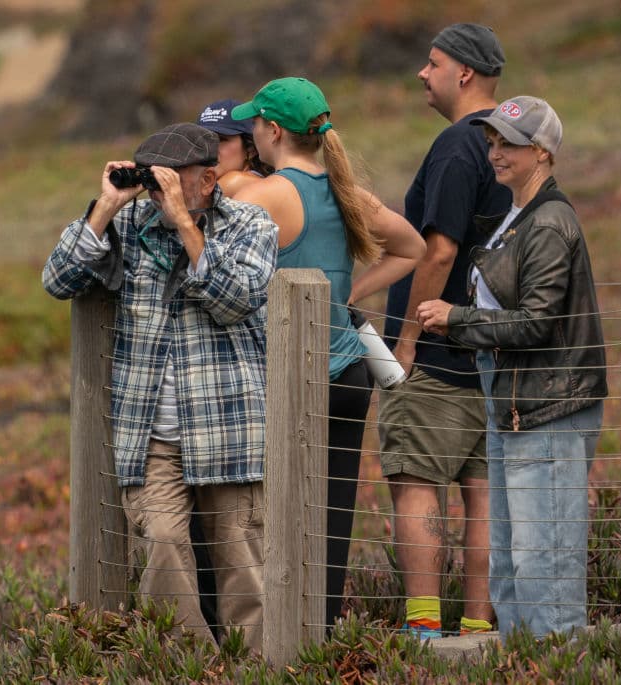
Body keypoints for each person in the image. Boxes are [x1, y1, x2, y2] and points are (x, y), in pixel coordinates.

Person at [41, 122, 278, 650]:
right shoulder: (129, 226)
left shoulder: (250, 224)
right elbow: (57, 280)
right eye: (153, 178)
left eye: (173, 177)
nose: (159, 189)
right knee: (163, 547)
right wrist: (105, 207)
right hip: (152, 434)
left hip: (228, 426)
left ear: (208, 179)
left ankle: (254, 667)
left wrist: (186, 227)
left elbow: (237, 299)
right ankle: (191, 666)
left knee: (242, 558)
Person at [230, 77, 426, 630]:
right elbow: (411, 247)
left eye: (254, 124)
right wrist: (348, 295)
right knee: (332, 512)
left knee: (274, 512)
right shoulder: (347, 193)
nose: (250, 134)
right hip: (347, 372)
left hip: (288, 377)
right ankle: (324, 628)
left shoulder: (264, 195)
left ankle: (278, 634)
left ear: (273, 131)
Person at [417, 96, 608, 639]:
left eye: (511, 144)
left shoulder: (547, 222)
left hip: (547, 407)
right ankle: (524, 661)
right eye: (493, 142)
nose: (496, 153)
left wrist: (457, 319)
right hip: (514, 404)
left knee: (543, 557)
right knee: (511, 557)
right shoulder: (516, 216)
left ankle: (557, 663)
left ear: (543, 152)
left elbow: (538, 322)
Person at [379, 22, 510, 639]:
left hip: (437, 352)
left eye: (432, 63)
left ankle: (425, 628)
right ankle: (479, 626)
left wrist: (407, 342)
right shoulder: (509, 143)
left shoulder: (458, 146)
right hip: (494, 349)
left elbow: (440, 250)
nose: (421, 73)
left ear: (464, 73)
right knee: (481, 490)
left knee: (416, 483)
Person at [197, 98, 274, 196]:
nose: (208, 148)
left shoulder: (235, 182)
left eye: (221, 139)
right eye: (203, 139)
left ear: (250, 149)